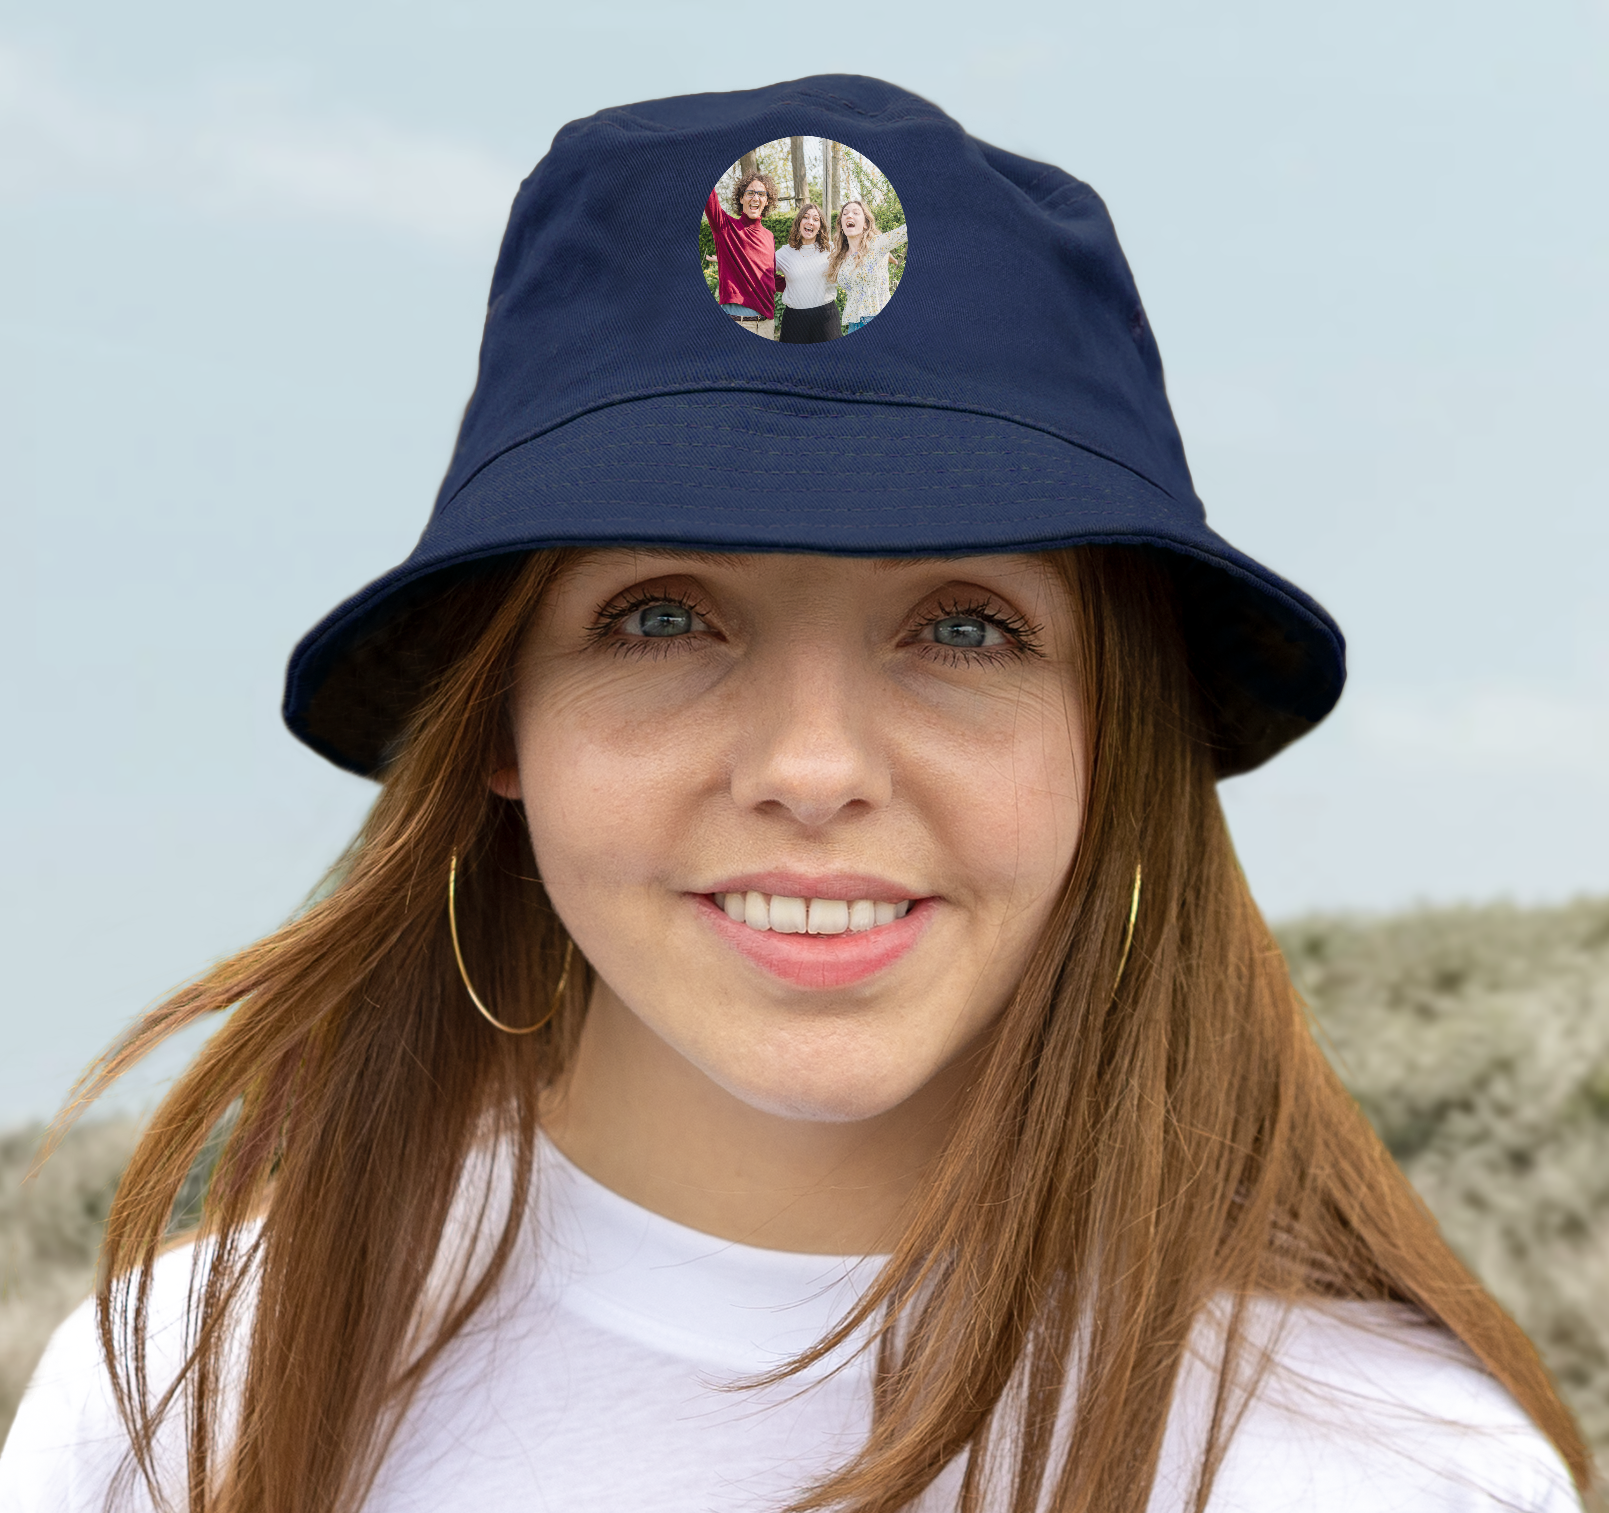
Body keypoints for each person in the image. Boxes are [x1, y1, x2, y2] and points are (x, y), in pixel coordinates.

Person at [0, 76, 1589, 1513]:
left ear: (1117, 738)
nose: (813, 771)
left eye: (965, 626)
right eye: (663, 617)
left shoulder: (1404, 1469)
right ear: (496, 717)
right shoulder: (181, 1402)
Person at [705, 166, 779, 339]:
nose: (756, 197)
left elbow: (772, 279)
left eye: (761, 194)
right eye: (750, 193)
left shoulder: (769, 236)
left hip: (767, 326)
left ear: (767, 201)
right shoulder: (724, 227)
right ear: (741, 198)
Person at [831, 196, 907, 333]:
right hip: (853, 325)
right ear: (841, 225)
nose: (849, 215)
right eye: (845, 213)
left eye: (855, 212)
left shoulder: (878, 244)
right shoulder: (839, 255)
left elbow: (906, 231)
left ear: (865, 223)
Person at [773, 201, 841, 343]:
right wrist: (727, 258)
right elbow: (759, 267)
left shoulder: (832, 249)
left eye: (816, 219)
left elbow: (855, 255)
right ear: (799, 222)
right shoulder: (785, 253)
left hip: (826, 318)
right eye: (806, 217)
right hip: (794, 320)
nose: (810, 222)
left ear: (820, 227)